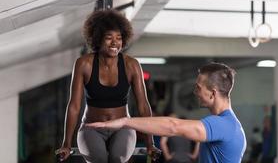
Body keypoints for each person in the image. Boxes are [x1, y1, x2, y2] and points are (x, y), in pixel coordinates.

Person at [86, 62, 247, 163]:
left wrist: (125, 121)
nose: (195, 92)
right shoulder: (227, 124)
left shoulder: (224, 125)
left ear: (213, 93)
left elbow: (173, 126)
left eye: (198, 88)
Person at [56, 9, 159, 163]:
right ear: (98, 39)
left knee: (117, 158)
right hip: (91, 128)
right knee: (99, 159)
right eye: (109, 38)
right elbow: (74, 106)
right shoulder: (84, 64)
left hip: (123, 127)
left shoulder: (131, 65)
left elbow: (143, 105)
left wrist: (151, 144)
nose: (114, 43)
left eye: (118, 38)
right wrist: (66, 144)